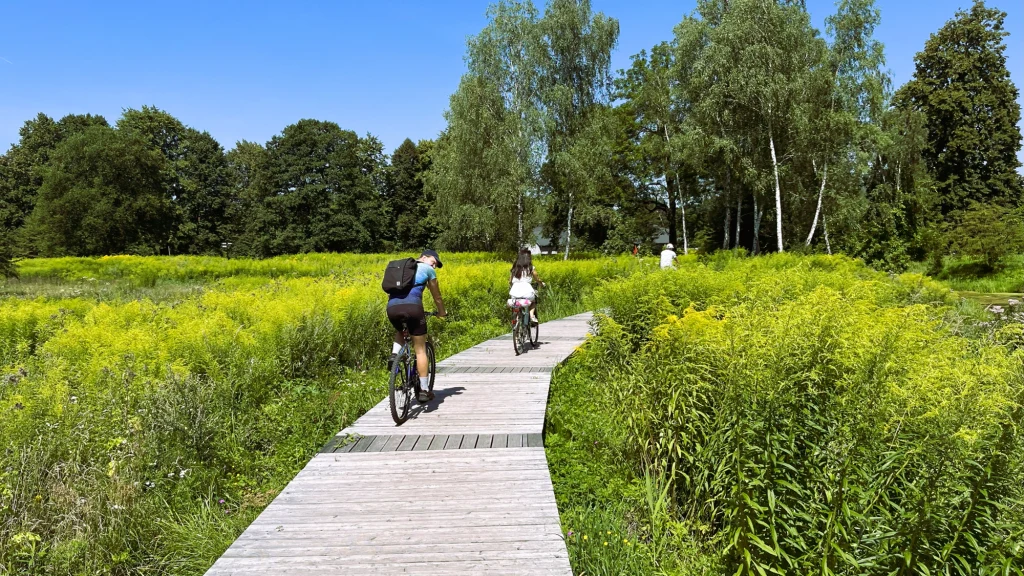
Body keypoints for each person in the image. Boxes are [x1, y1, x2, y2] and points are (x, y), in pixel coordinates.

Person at [387, 249, 447, 403]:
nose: (434, 266)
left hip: (392, 308)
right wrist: (441, 312)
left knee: (400, 330)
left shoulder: (401, 269)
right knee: (420, 349)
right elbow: (437, 296)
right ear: (424, 258)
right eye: (433, 262)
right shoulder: (427, 270)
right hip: (413, 308)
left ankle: (394, 355)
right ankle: (424, 390)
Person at [509, 248, 544, 325]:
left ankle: (516, 320)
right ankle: (532, 316)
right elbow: (537, 278)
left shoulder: (515, 268)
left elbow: (510, 281)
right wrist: (541, 283)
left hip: (514, 292)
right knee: (533, 301)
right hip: (527, 291)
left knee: (517, 303)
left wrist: (511, 286)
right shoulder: (531, 268)